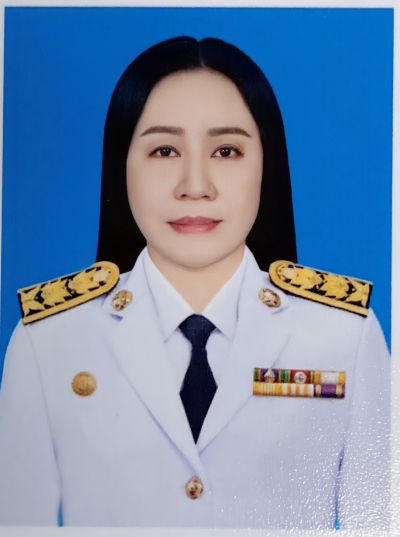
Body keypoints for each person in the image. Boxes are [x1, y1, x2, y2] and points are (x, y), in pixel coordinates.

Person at [0, 36, 390, 529]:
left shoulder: (345, 338)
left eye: (226, 150)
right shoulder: (49, 342)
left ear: (267, 166)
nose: (195, 185)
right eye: (164, 150)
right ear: (121, 167)